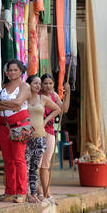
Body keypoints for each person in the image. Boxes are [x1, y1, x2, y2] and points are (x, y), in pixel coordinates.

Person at [0, 59, 31, 203]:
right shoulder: (3, 86)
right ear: (6, 72)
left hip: (19, 125)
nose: (12, 72)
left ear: (21, 71)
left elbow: (18, 103)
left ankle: (21, 192)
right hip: (3, 126)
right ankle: (10, 191)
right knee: (8, 160)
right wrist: (9, 105)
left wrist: (2, 104)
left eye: (15, 70)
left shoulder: (24, 86)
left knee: (19, 159)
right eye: (10, 70)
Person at [25, 75, 60, 203]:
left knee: (35, 167)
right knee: (26, 166)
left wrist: (45, 120)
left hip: (41, 136)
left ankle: (36, 194)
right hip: (26, 137)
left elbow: (58, 109)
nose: (38, 86)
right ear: (28, 84)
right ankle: (27, 193)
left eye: (39, 83)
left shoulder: (44, 98)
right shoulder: (24, 98)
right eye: (36, 83)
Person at [38, 74, 71, 202]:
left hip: (50, 132)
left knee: (46, 164)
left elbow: (64, 109)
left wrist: (67, 93)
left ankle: (47, 193)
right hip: (38, 131)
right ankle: (39, 191)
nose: (48, 86)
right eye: (45, 83)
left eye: (50, 83)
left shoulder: (54, 95)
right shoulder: (37, 96)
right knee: (38, 164)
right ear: (41, 84)